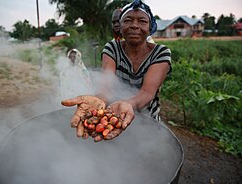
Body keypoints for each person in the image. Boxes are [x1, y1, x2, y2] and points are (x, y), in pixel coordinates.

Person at [61, 0, 171, 142]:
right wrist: (100, 100)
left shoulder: (161, 53)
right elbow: (106, 85)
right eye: (128, 20)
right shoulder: (112, 48)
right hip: (116, 114)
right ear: (121, 26)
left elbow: (147, 92)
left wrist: (128, 104)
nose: (134, 25)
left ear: (150, 27)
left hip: (147, 121)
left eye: (142, 21)